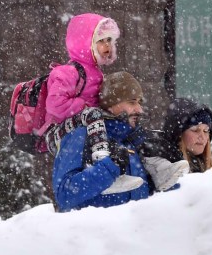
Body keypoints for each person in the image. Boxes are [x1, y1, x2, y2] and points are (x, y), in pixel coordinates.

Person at [51, 72, 188, 212]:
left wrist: (171, 174)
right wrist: (109, 167)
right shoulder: (80, 135)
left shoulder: (132, 141)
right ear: (112, 104)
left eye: (139, 102)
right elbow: (63, 195)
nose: (139, 109)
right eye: (132, 102)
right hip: (97, 232)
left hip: (136, 231)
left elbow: (145, 195)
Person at [44, 12, 142, 193]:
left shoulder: (96, 73)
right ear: (85, 42)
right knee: (95, 115)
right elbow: (54, 105)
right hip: (57, 133)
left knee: (120, 122)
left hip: (84, 126)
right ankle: (103, 167)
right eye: (101, 40)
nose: (107, 46)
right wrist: (86, 108)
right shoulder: (67, 72)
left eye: (110, 41)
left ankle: (147, 165)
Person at [153, 98, 212, 173]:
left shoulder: (206, 170)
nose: (202, 137)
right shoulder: (165, 172)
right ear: (178, 135)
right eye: (195, 130)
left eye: (206, 131)